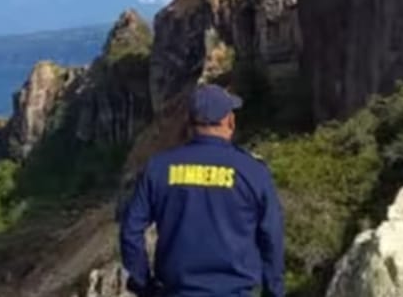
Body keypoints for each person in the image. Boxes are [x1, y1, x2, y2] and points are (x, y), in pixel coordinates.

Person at [119, 83, 285, 297]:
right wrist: (274, 292)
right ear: (230, 121)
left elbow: (130, 230)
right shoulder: (253, 172)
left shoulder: (159, 168)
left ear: (189, 123)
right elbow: (272, 238)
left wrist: (145, 285)